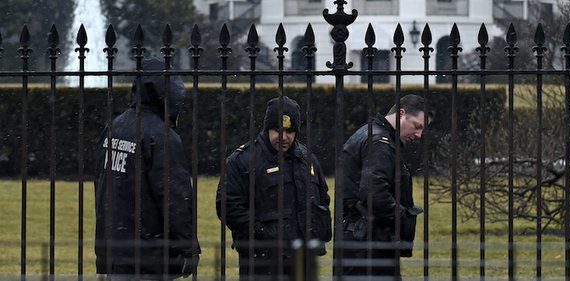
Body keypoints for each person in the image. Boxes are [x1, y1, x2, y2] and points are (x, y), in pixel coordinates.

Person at [94, 57, 200, 280]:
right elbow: (176, 198)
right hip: (149, 256)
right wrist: (188, 247)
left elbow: (100, 184)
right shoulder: (161, 136)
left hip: (116, 249)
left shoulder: (115, 127)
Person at [217, 95, 332, 280]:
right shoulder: (243, 161)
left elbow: (322, 198)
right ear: (267, 128)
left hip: (302, 257)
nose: (284, 137)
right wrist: (263, 234)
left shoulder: (307, 158)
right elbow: (228, 205)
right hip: (262, 260)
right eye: (278, 130)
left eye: (290, 131)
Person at [339, 94, 429, 280]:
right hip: (369, 241)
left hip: (361, 238)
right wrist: (402, 216)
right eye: (417, 126)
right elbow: (374, 192)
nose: (419, 135)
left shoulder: (372, 134)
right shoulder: (380, 142)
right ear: (401, 113)